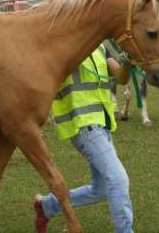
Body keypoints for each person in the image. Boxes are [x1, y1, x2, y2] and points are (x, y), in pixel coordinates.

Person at [34, 44, 134, 233]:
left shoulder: (100, 47)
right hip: (83, 125)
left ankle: (48, 205)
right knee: (118, 180)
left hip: (101, 124)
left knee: (102, 189)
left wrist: (128, 62)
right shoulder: (66, 47)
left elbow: (121, 78)